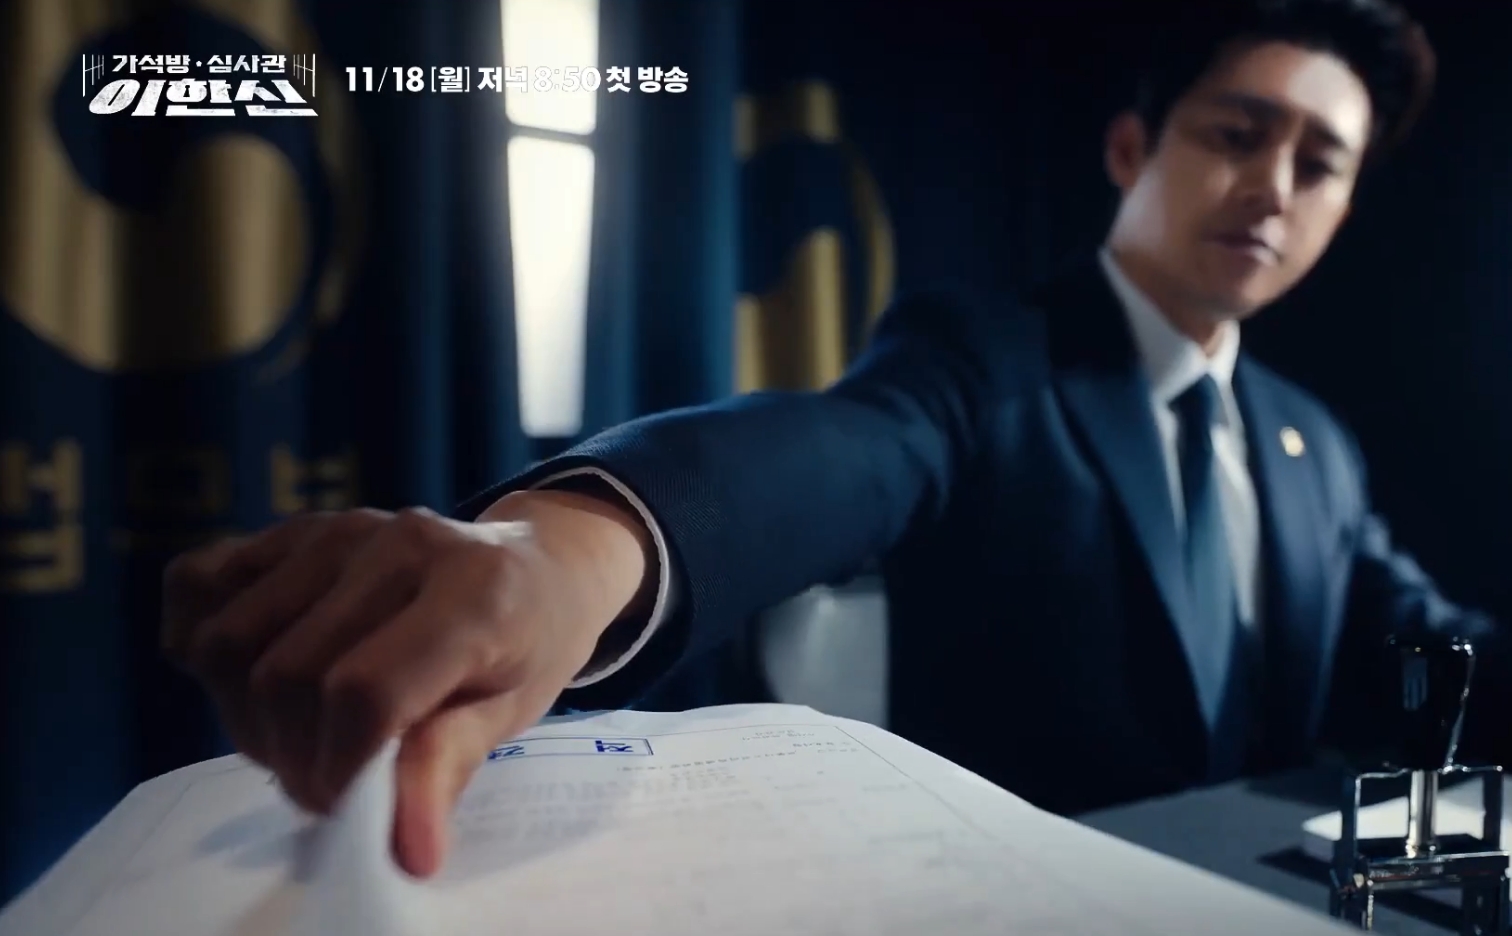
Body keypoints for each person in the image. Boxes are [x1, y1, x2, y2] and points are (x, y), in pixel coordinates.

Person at [160, 0, 1508, 881]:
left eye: (1319, 164)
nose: (1273, 187)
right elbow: (835, 450)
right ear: (1128, 150)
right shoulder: (984, 355)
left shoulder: (1314, 446)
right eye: (1237, 134)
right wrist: (576, 550)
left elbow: (1423, 639)